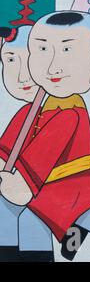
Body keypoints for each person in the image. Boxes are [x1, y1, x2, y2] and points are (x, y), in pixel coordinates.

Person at [0, 11, 90, 262]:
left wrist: (23, 184)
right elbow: (7, 146)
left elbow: (40, 158)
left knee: (35, 215)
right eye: (41, 50)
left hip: (65, 183)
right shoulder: (33, 109)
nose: (52, 67)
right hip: (41, 181)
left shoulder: (69, 112)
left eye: (66, 51)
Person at [0, 26, 38, 261]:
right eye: (10, 60)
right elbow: (5, 150)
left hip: (46, 186)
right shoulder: (26, 112)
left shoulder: (64, 110)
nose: (22, 76)